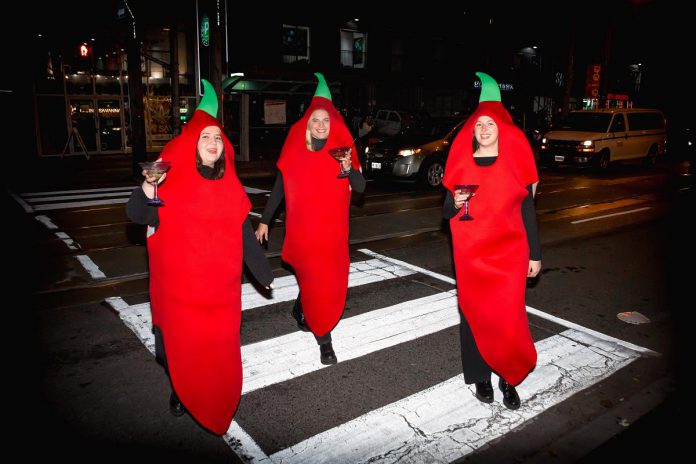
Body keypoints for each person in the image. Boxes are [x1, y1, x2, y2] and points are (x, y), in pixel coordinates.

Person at [125, 79, 273, 435]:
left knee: (217, 355)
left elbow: (241, 230)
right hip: (179, 296)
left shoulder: (230, 184)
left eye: (218, 138)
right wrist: (149, 184)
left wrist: (262, 272)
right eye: (205, 137)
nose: (212, 143)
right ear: (192, 143)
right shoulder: (168, 180)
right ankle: (179, 387)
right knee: (171, 352)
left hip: (220, 295)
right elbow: (137, 214)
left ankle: (212, 400)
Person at [442, 72, 541, 410]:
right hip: (471, 256)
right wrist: (454, 205)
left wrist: (536, 254)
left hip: (510, 254)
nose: (483, 129)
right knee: (473, 315)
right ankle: (480, 377)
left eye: (490, 124)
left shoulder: (515, 164)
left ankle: (507, 377)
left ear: (502, 129)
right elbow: (446, 211)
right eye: (478, 125)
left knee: (507, 317)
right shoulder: (462, 161)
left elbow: (528, 210)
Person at [255, 73, 365, 365]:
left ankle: (303, 305)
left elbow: (361, 187)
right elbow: (279, 187)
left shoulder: (341, 151)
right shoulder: (295, 149)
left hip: (331, 235)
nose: (320, 125)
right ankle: (324, 340)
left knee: (327, 281)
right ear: (307, 122)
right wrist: (265, 220)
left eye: (325, 121)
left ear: (332, 123)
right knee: (312, 278)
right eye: (315, 120)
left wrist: (347, 166)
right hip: (303, 233)